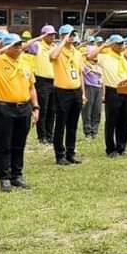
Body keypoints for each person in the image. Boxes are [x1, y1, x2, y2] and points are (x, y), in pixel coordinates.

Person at [0, 33, 40, 192]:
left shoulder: (25, 63)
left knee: (19, 144)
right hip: (5, 108)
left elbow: (31, 87)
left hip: (24, 107)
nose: (19, 48)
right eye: (15, 45)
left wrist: (36, 107)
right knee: (4, 144)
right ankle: (4, 177)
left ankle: (17, 175)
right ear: (8, 47)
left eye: (20, 45)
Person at [49, 24, 85, 166]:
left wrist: (83, 93)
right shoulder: (58, 50)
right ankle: (60, 154)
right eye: (69, 34)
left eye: (72, 35)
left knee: (73, 124)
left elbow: (80, 72)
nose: (71, 37)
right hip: (62, 91)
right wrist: (63, 40)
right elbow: (52, 56)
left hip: (75, 90)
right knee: (61, 124)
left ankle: (71, 152)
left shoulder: (77, 52)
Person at [96, 35, 127, 158]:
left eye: (122, 43)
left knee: (124, 121)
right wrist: (103, 46)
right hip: (113, 91)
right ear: (112, 44)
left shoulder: (124, 58)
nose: (120, 46)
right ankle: (110, 149)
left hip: (126, 91)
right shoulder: (105, 57)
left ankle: (121, 147)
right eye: (117, 44)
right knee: (111, 121)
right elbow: (90, 56)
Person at [34, 25, 57, 144]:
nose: (52, 36)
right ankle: (42, 136)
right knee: (43, 108)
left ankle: (50, 134)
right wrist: (39, 38)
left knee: (52, 110)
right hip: (41, 80)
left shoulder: (55, 47)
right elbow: (25, 47)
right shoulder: (37, 45)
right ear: (43, 35)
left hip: (54, 81)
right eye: (49, 34)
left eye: (53, 34)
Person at [82, 46, 104, 139]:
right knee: (87, 110)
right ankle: (88, 131)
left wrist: (103, 94)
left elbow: (103, 81)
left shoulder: (99, 66)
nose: (95, 56)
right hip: (89, 88)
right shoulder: (85, 65)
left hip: (98, 89)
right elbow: (83, 79)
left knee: (97, 110)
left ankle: (95, 131)